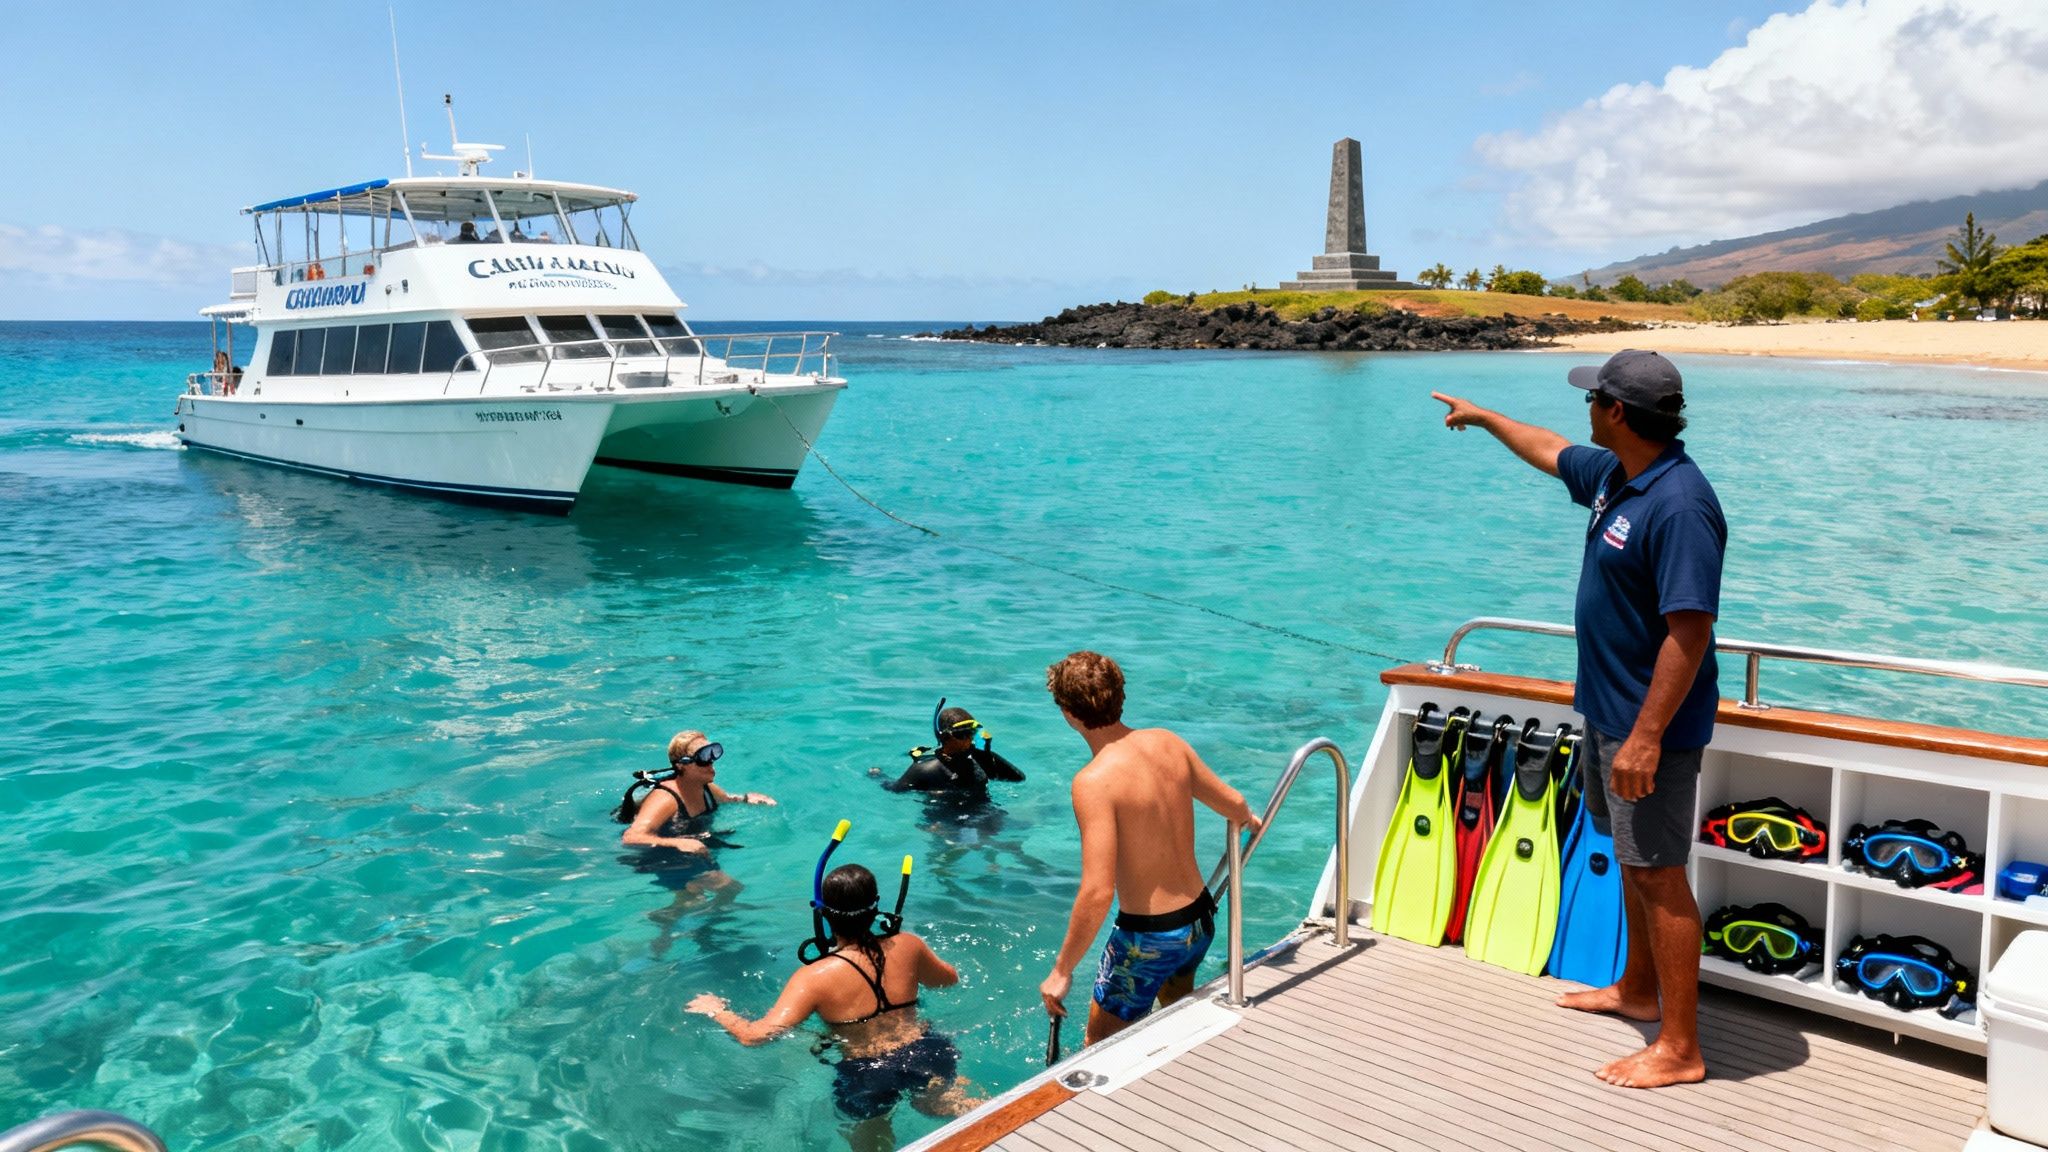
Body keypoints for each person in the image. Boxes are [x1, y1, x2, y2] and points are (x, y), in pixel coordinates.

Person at [1432, 348, 1725, 1089]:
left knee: (1659, 873)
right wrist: (1488, 416)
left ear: (1618, 411)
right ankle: (1637, 988)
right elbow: (1549, 449)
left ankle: (1681, 1048)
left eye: (1593, 397)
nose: (1584, 408)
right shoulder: (1619, 476)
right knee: (1633, 859)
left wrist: (1647, 737)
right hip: (1607, 713)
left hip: (1644, 729)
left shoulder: (1679, 503)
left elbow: (1688, 632)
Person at [1037, 651, 1259, 1044]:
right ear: (1120, 695)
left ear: (1069, 714)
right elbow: (1236, 806)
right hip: (1198, 921)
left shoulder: (1093, 782)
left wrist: (1062, 970)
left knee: (1098, 1049)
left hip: (1148, 941)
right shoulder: (1167, 742)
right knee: (1175, 1020)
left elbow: (1097, 890)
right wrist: (1248, 820)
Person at [689, 863, 980, 1152]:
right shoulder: (909, 945)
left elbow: (755, 1036)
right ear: (875, 907)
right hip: (925, 1050)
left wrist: (716, 1010)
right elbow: (948, 980)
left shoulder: (814, 977)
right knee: (943, 1102)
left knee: (871, 1136)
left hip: (867, 1073)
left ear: (824, 912)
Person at [616, 730, 776, 854]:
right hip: (661, 853)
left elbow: (727, 799)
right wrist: (679, 843)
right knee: (724, 886)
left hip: (692, 846)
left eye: (712, 752)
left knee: (727, 888)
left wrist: (746, 798)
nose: (711, 761)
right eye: (703, 756)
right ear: (682, 765)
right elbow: (631, 837)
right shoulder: (666, 798)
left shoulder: (705, 787)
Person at [883, 704, 1025, 798]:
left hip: (984, 814)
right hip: (946, 821)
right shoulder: (925, 769)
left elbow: (1018, 778)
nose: (968, 740)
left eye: (971, 733)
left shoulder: (979, 758)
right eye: (962, 735)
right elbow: (895, 790)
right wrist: (878, 776)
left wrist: (988, 756)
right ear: (944, 737)